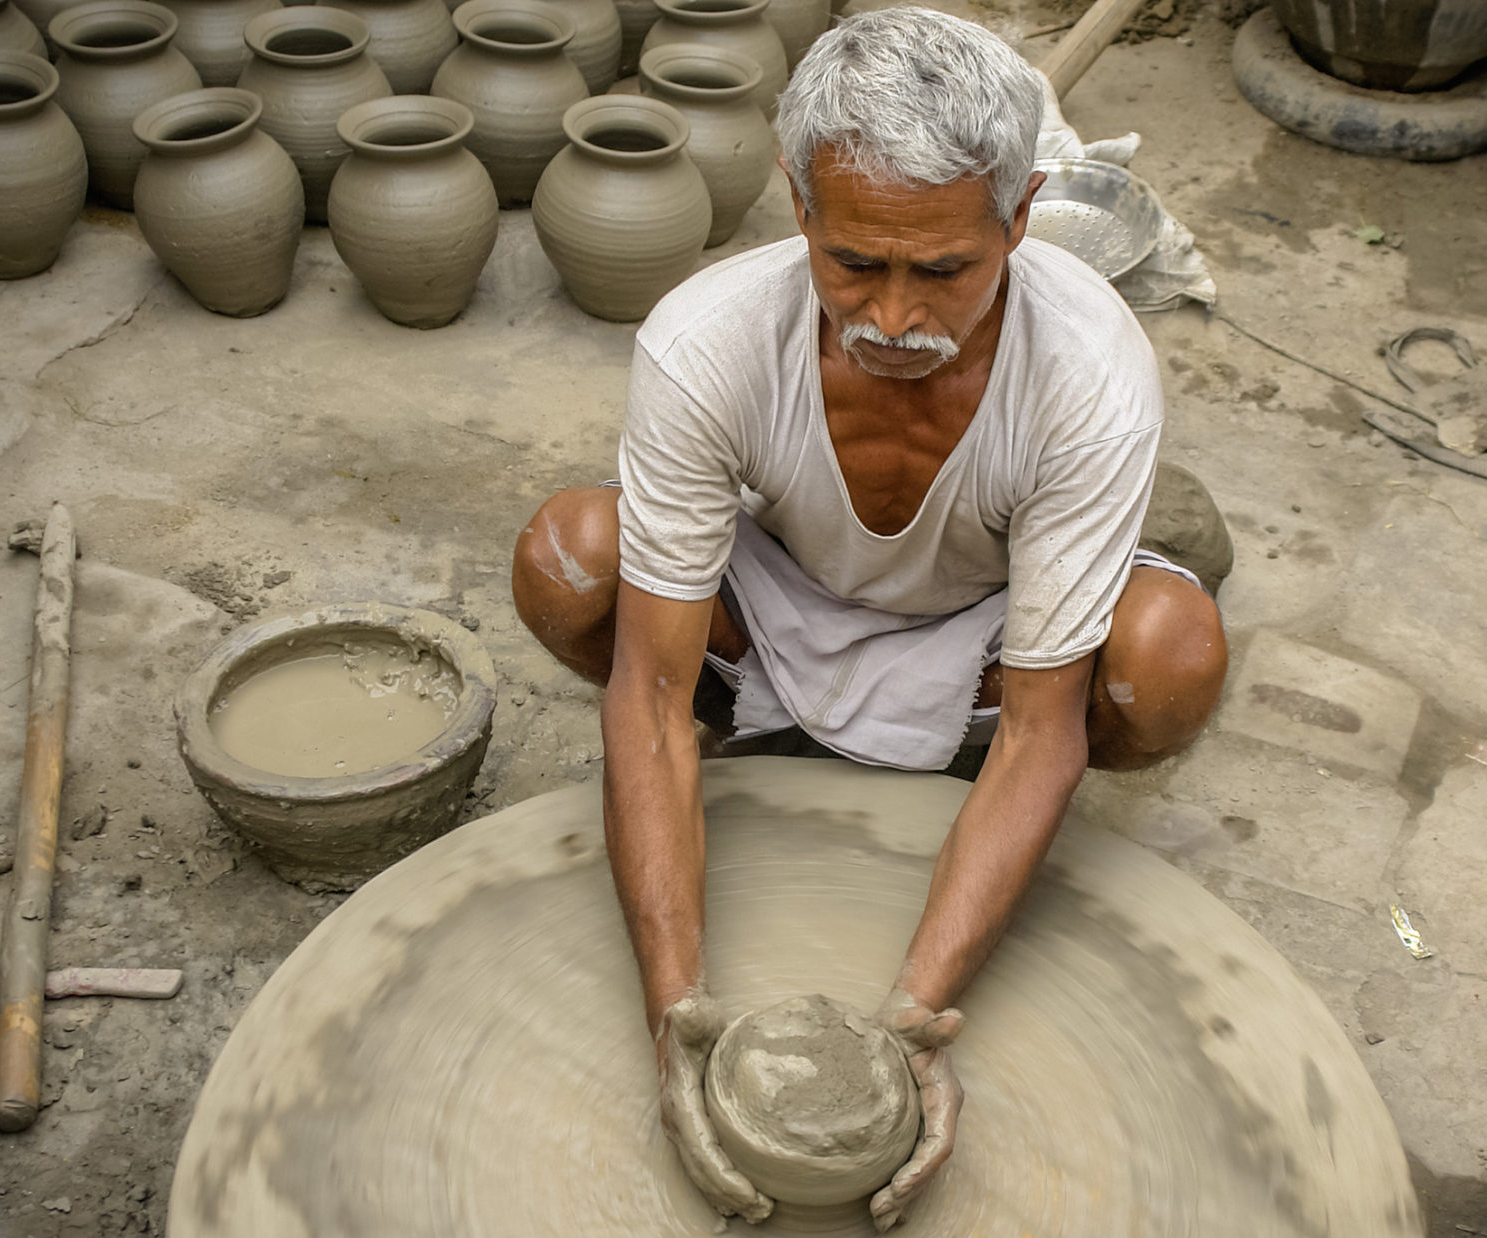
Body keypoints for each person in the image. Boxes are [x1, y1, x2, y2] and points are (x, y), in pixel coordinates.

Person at [512, 7, 1228, 1229]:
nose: (893, 316)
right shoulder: (709, 341)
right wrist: (673, 1017)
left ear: (1020, 216)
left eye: (943, 269)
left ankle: (937, 765)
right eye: (855, 263)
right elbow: (642, 693)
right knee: (574, 560)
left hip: (983, 637)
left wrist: (913, 1024)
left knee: (1164, 659)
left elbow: (1048, 724)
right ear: (796, 203)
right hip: (786, 603)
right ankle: (776, 730)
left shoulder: (1090, 372)